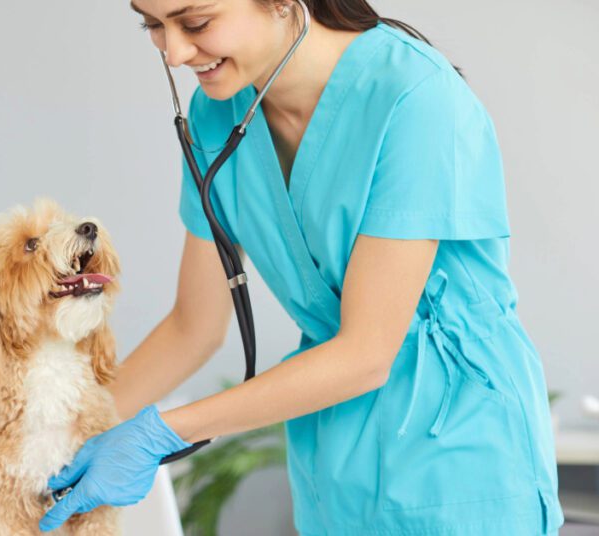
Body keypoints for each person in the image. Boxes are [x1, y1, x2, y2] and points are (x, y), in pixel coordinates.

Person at [38, 0, 565, 534]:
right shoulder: (215, 114)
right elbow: (192, 327)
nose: (173, 53)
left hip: (458, 452)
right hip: (333, 452)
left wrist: (159, 433)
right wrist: (61, 433)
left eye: (195, 23)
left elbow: (366, 353)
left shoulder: (413, 98)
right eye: (152, 25)